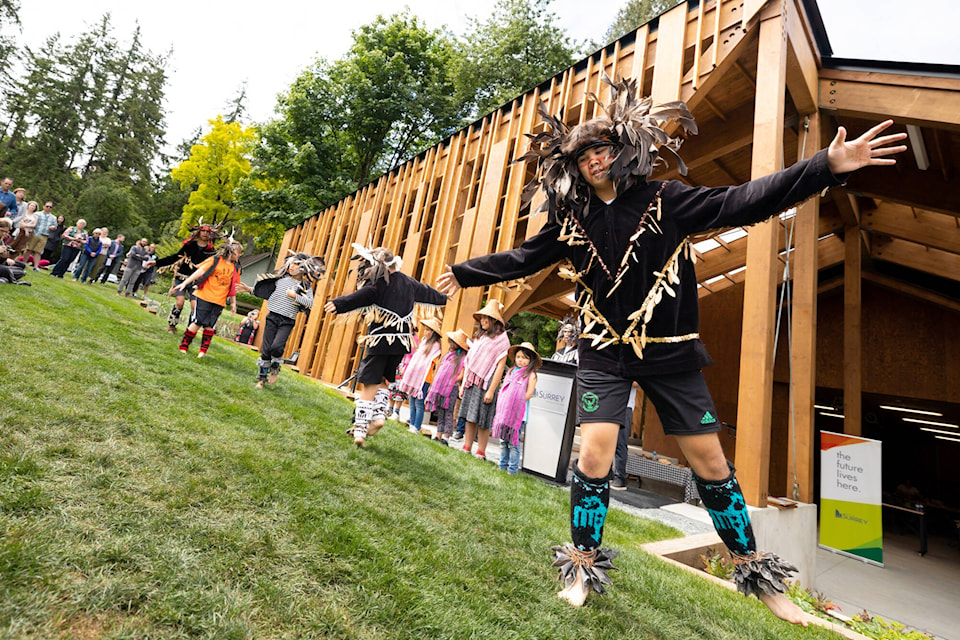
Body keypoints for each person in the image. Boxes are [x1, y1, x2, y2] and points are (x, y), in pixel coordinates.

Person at [437, 76, 907, 618]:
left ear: (622, 151)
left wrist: (824, 166)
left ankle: (760, 579)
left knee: (709, 461)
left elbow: (743, 201)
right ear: (573, 165)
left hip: (670, 351)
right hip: (603, 349)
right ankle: (583, 567)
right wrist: (464, 271)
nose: (593, 159)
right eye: (583, 154)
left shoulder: (668, 199)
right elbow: (524, 258)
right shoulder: (571, 219)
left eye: (602, 148)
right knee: (593, 452)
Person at [324, 244, 447, 447]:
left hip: (381, 340)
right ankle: (379, 418)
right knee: (383, 382)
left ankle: (360, 431)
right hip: (400, 344)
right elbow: (427, 292)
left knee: (369, 385)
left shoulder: (379, 284)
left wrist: (339, 303)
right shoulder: (409, 283)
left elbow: (361, 296)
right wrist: (443, 297)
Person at [250, 251, 326, 388]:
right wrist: (249, 290)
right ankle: (261, 379)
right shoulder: (280, 280)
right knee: (266, 349)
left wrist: (295, 296)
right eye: (290, 264)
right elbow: (267, 293)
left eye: (296, 265)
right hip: (272, 317)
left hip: (288, 320)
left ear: (304, 268)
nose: (291, 267)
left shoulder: (305, 286)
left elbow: (310, 303)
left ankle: (275, 368)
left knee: (277, 347)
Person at [457, 299, 510, 460]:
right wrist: (463, 384)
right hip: (472, 382)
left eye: (486, 318)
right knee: (469, 415)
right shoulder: (480, 337)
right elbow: (470, 361)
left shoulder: (502, 340)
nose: (483, 321)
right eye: (481, 318)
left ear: (494, 320)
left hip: (487, 384)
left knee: (484, 419)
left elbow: (500, 367)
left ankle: (481, 451)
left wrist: (492, 390)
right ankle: (466, 446)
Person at [173, 237, 244, 358]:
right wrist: (184, 283)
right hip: (204, 296)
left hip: (219, 300)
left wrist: (233, 303)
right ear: (231, 252)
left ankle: (203, 351)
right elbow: (199, 272)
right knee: (197, 322)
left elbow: (233, 287)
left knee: (210, 326)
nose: (239, 256)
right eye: (238, 253)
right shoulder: (215, 260)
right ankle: (184, 346)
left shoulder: (235, 268)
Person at [155, 220, 220, 334]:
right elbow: (175, 257)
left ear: (210, 234)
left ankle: (189, 331)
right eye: (203, 231)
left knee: (195, 307)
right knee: (179, 302)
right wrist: (157, 263)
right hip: (181, 278)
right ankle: (172, 326)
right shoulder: (189, 246)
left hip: (196, 282)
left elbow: (212, 268)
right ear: (198, 232)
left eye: (207, 231)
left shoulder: (211, 251)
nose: (205, 233)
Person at [494, 341, 541, 475]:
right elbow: (504, 389)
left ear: (530, 360)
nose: (521, 360)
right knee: (503, 440)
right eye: (519, 357)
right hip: (506, 412)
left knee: (513, 443)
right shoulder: (510, 371)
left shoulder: (531, 375)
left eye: (525, 358)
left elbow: (529, 393)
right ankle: (502, 465)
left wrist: (517, 402)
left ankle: (512, 469)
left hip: (519, 414)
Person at [397, 317, 443, 434]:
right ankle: (412, 423)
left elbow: (429, 362)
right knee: (412, 400)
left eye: (428, 330)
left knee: (419, 402)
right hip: (415, 377)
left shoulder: (435, 346)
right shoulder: (424, 343)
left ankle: (417, 427)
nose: (426, 332)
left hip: (424, 379)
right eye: (426, 329)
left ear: (433, 333)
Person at [425, 328, 470, 445]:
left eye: (454, 342)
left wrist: (451, 380)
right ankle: (438, 434)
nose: (451, 344)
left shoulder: (463, 358)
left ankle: (446, 437)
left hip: (451, 388)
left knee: (448, 412)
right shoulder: (447, 355)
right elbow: (440, 369)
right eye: (451, 341)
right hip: (440, 388)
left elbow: (461, 375)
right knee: (440, 412)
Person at [612, 383, 639, 490]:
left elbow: (637, 383)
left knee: (620, 442)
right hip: (609, 402)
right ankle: (606, 473)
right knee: (607, 441)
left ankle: (620, 477)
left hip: (626, 405)